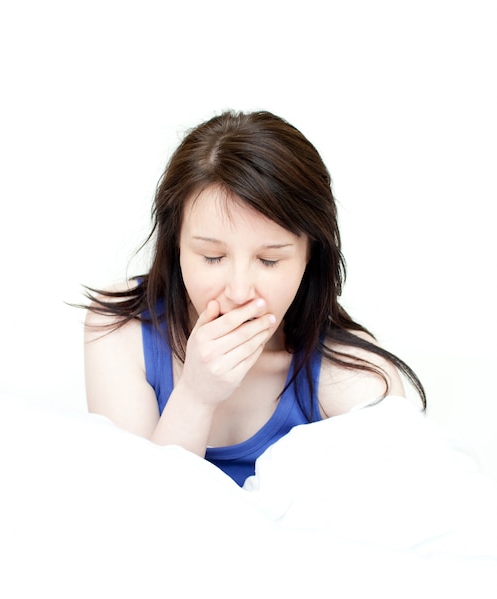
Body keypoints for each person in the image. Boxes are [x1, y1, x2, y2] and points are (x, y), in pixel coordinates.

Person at [83, 110, 426, 487]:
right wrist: (196, 396)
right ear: (175, 245)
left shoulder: (354, 378)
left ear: (310, 256)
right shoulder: (120, 330)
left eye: (269, 260)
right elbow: (132, 517)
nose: (240, 291)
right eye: (212, 257)